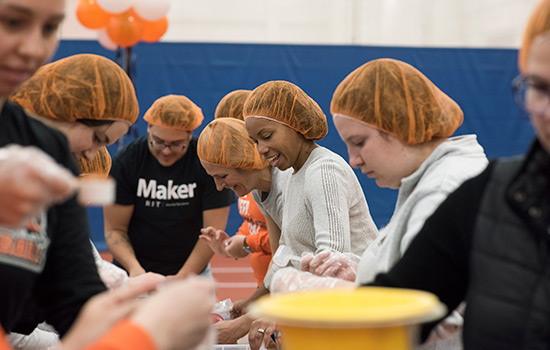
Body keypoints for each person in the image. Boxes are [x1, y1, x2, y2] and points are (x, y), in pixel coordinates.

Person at [271, 1, 550, 348]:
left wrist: (327, 293)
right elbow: (420, 288)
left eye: (359, 142)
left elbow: (437, 320)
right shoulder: (489, 187)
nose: (354, 160)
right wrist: (358, 274)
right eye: (538, 87)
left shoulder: (447, 187)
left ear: (400, 127)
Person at [0, 0, 107, 339]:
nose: (33, 48)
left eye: (50, 29)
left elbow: (74, 294)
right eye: (12, 22)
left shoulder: (46, 146)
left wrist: (142, 327)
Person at [243, 80, 379, 347]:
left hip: (355, 319)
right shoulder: (294, 174)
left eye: (267, 136)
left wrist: (282, 316)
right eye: (255, 141)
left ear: (295, 125)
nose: (261, 149)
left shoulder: (323, 171)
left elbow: (333, 263)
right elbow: (288, 248)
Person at [104, 94, 236, 279]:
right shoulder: (127, 161)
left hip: (191, 271)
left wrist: (181, 277)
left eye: (176, 145)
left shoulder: (206, 163)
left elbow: (211, 234)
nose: (166, 151)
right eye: (158, 142)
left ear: (190, 135)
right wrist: (136, 271)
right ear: (148, 128)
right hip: (132, 269)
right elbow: (115, 230)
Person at [198, 117, 291, 344]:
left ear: (244, 158)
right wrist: (254, 301)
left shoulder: (288, 185)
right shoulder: (261, 190)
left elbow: (298, 262)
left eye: (222, 176)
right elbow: (281, 261)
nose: (219, 187)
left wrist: (243, 323)